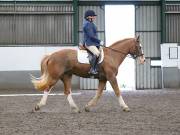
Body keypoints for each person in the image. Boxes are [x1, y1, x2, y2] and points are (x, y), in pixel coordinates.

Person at [83, 10, 104, 75]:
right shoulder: (87, 24)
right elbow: (91, 36)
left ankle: (97, 68)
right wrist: (99, 41)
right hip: (89, 43)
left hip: (93, 43)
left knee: (101, 50)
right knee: (97, 53)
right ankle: (92, 69)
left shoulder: (91, 23)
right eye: (93, 16)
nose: (94, 17)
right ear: (89, 17)